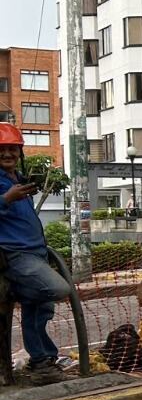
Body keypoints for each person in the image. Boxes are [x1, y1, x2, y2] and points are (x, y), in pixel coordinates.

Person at [0, 123, 70, 384]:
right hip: (16, 255)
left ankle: (42, 362)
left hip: (36, 253)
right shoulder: (6, 185)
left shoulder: (18, 179)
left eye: (12, 149)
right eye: (1, 149)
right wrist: (6, 198)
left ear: (20, 152)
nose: (7, 154)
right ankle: (18, 289)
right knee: (58, 289)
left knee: (41, 310)